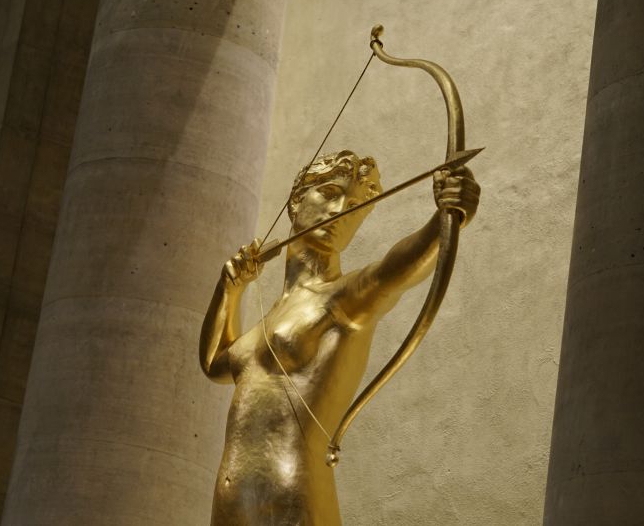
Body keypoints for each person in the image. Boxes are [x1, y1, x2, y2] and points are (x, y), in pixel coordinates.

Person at [199, 150, 480, 525]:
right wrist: (228, 290)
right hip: (229, 503)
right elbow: (216, 363)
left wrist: (444, 218)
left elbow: (391, 273)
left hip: (288, 495)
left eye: (354, 207)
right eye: (330, 193)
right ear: (296, 201)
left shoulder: (342, 299)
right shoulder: (267, 322)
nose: (340, 211)